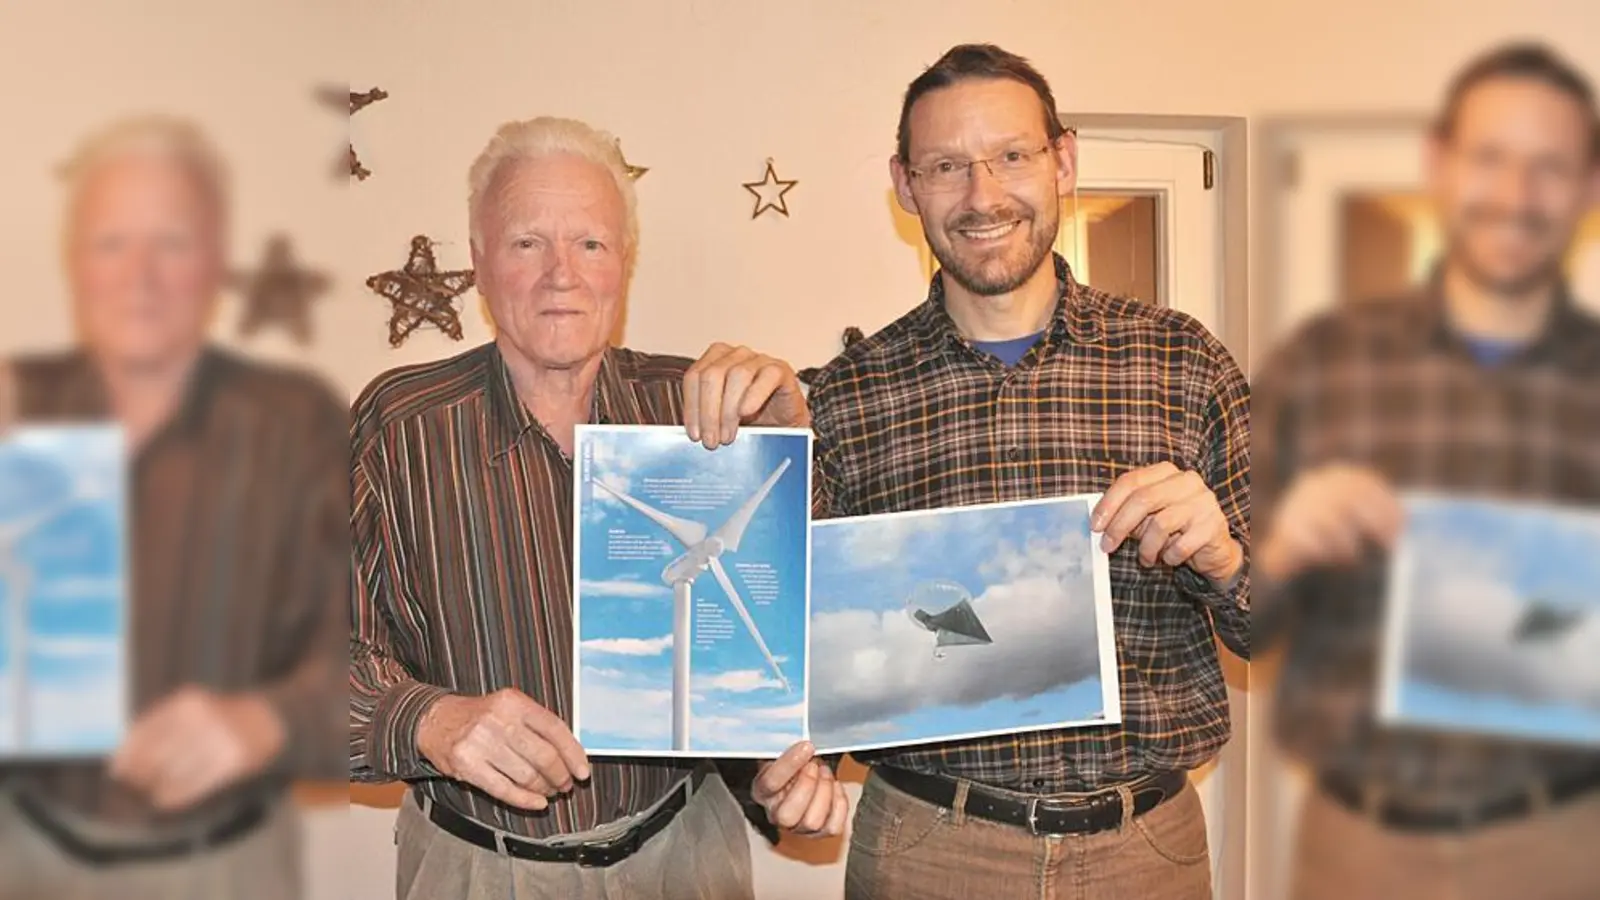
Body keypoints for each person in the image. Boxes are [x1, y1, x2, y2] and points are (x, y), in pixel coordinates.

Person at [348, 116, 846, 900]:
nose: (561, 275)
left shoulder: (700, 407)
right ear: (478, 263)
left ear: (624, 263)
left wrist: (794, 443)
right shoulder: (398, 424)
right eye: (525, 243)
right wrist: (429, 721)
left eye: (590, 244)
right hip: (480, 869)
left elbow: (808, 617)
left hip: (687, 853)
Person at [804, 44, 1251, 900]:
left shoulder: (1184, 361)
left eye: (1012, 155)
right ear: (905, 186)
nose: (982, 195)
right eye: (946, 166)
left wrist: (1225, 558)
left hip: (1145, 851)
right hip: (927, 846)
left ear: (1064, 160)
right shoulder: (847, 396)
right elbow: (803, 643)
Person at [1253, 43, 1600, 900]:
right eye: (1490, 158)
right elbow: (1242, 623)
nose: (1517, 196)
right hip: (1356, 851)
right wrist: (1285, 546)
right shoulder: (1322, 361)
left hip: (1564, 844)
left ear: (1590, 188)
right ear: (1439, 167)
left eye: (1550, 167)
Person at [0, 116, 348, 899]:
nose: (141, 277)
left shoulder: (296, 424)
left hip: (221, 869)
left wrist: (268, 722)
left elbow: (368, 659)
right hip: (19, 851)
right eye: (111, 243)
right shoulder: (20, 406)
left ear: (218, 262)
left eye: (173, 243)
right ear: (74, 261)